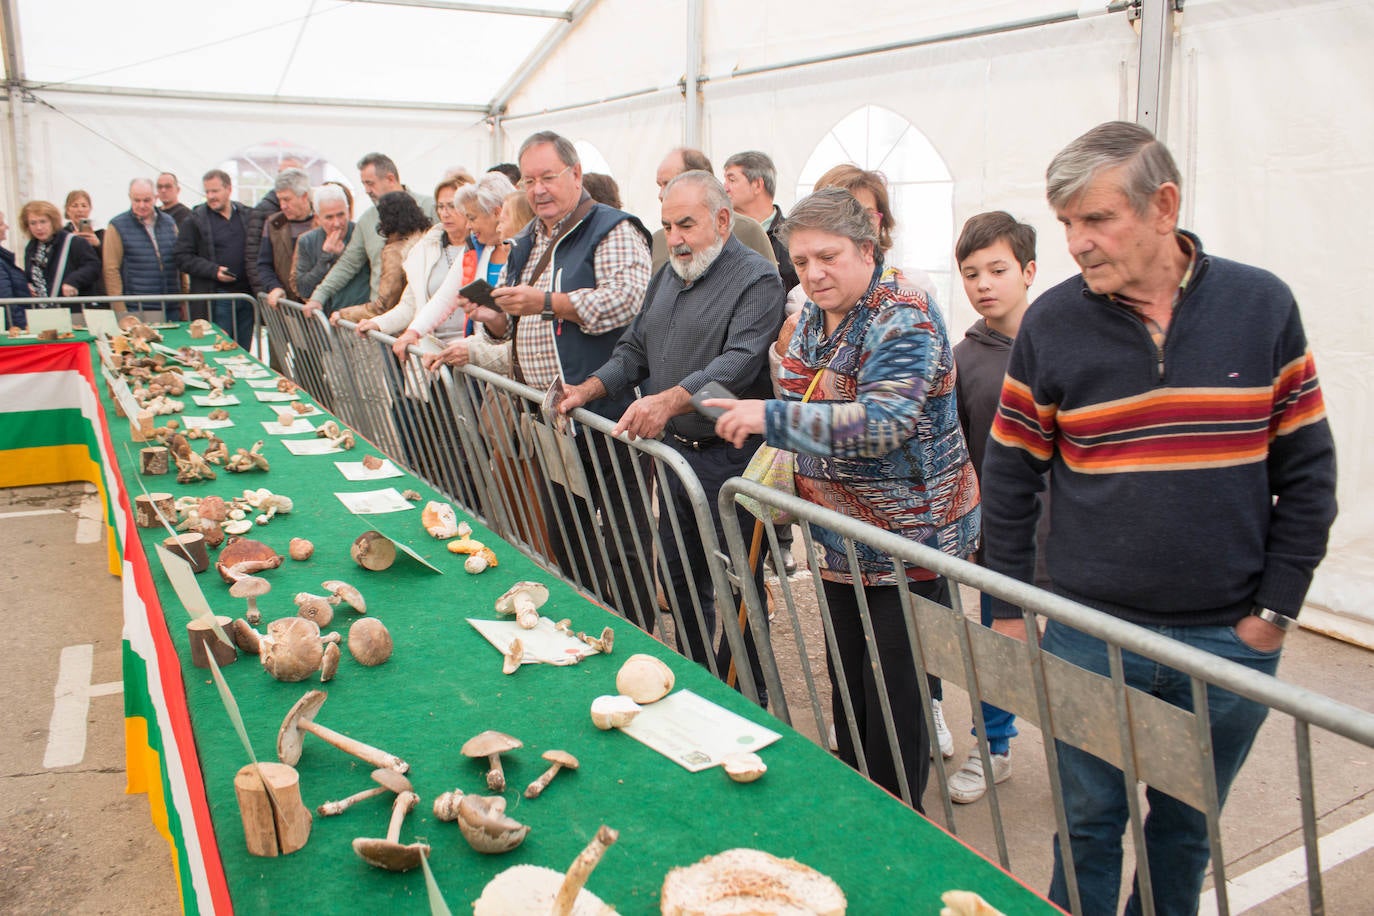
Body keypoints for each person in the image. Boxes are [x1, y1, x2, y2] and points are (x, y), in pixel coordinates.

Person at [982, 121, 1337, 915]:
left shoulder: (1262, 305)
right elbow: (1010, 477)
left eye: (1096, 219)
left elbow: (1309, 476)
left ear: (1163, 206)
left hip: (1227, 645)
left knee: (1185, 833)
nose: (1076, 243)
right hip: (1088, 634)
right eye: (1067, 221)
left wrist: (1272, 617)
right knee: (1087, 823)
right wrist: (1008, 610)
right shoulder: (1052, 324)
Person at [710, 187, 979, 808]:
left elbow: (884, 424)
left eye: (827, 257)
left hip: (907, 543)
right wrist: (814, 398)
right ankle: (861, 805)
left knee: (895, 700)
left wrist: (771, 417)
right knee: (851, 690)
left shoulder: (903, 312)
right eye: (801, 263)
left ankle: (895, 825)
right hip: (835, 538)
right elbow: (811, 387)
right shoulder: (812, 315)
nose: (813, 274)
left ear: (867, 247)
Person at [560, 170, 785, 677]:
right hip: (678, 456)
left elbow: (739, 362)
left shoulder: (757, 279)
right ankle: (695, 677)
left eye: (686, 224)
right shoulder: (667, 275)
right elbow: (634, 350)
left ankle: (746, 698)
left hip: (736, 461)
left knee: (739, 589)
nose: (676, 238)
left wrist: (668, 400)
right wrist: (589, 388)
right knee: (681, 577)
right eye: (667, 225)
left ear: (723, 220)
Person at [473, 130, 655, 626]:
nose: (538, 189)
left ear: (575, 174)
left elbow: (630, 300)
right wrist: (493, 317)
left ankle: (636, 630)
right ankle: (584, 623)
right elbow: (513, 327)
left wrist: (548, 303)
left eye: (548, 177)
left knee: (623, 536)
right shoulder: (530, 238)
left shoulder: (612, 228)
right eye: (529, 180)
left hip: (607, 414)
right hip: (548, 416)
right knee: (567, 530)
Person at [946, 210, 1043, 803]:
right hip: (998, 535)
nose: (984, 283)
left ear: (1029, 271)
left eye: (998, 269)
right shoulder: (963, 357)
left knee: (1077, 657)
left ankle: (1091, 757)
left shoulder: (1064, 344)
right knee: (996, 642)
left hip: (1071, 535)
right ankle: (993, 745)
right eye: (971, 272)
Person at [302, 153, 435, 317]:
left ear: (390, 178)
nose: (366, 190)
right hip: (379, 320)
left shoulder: (431, 207)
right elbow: (348, 263)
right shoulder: (367, 220)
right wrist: (318, 297)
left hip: (420, 316)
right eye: (364, 184)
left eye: (370, 183)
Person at [651, 148, 774, 273]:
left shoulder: (747, 230)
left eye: (669, 184)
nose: (661, 194)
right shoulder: (656, 241)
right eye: (668, 228)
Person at [173, 169, 254, 347]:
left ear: (229, 189)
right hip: (217, 297)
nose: (210, 196)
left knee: (244, 350)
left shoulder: (246, 215)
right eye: (207, 192)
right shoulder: (195, 220)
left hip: (246, 296)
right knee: (219, 349)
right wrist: (213, 271)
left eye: (215, 191)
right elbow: (181, 256)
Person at [329, 191, 431, 324]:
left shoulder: (395, 252)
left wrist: (344, 314)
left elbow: (384, 304)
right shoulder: (427, 240)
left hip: (401, 326)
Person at [102, 178, 180, 319]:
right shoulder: (117, 226)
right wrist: (120, 309)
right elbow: (111, 269)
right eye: (136, 200)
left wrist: (183, 299)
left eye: (147, 200)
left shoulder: (169, 222)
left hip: (171, 305)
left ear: (155, 198)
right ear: (130, 198)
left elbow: (178, 261)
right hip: (137, 307)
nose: (142, 205)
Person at [723, 150, 799, 290]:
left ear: (757, 185)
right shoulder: (722, 235)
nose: (724, 187)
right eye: (725, 180)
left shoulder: (793, 237)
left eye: (731, 180)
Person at [294, 183, 369, 308]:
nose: (337, 223)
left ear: (348, 211)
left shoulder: (362, 235)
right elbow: (304, 289)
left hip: (356, 315)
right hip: (324, 317)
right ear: (317, 218)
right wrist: (325, 257)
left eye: (341, 215)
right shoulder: (307, 241)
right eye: (329, 217)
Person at [20, 200, 102, 303]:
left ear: (53, 222)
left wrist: (73, 281)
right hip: (42, 309)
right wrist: (27, 284)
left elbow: (93, 266)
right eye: (33, 223)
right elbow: (31, 274)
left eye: (43, 221)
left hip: (71, 307)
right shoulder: (31, 247)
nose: (39, 228)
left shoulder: (73, 242)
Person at [257, 168, 316, 307]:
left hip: (318, 306)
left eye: (287, 199)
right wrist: (274, 287)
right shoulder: (274, 224)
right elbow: (263, 264)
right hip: (288, 306)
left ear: (304, 196)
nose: (283, 206)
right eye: (280, 200)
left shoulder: (323, 221)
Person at [63, 190, 106, 297]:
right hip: (71, 286)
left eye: (84, 206)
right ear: (68, 209)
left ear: (90, 209)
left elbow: (109, 261)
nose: (80, 210)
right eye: (75, 206)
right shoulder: (63, 235)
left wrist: (98, 245)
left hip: (97, 287)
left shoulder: (101, 233)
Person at [0, 210, 33, 327]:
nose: (6, 227)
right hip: (14, 325)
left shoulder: (4, 259)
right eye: (1, 224)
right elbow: (6, 299)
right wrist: (22, 326)